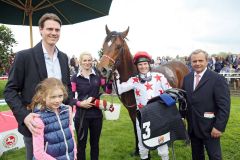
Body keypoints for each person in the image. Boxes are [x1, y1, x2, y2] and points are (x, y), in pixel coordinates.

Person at [4, 13, 72, 160]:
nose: (54, 33)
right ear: (40, 30)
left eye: (57, 30)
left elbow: (67, 89)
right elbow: (9, 91)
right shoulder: (24, 57)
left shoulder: (64, 57)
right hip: (35, 127)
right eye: (49, 29)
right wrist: (25, 116)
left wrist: (71, 106)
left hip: (61, 126)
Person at [114, 51, 171, 160]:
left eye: (145, 64)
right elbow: (119, 89)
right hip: (142, 117)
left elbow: (170, 92)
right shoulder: (134, 80)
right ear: (137, 66)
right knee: (143, 145)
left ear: (149, 64)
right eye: (140, 64)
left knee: (162, 144)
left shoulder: (159, 76)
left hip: (159, 116)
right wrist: (116, 77)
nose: (143, 66)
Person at [182, 49, 230, 160]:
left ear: (206, 61)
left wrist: (219, 127)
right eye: (194, 61)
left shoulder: (217, 79)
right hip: (193, 126)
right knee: (197, 156)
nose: (197, 63)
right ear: (191, 62)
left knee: (214, 156)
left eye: (200, 60)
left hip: (210, 128)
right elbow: (184, 100)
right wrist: (182, 116)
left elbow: (224, 106)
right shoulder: (187, 78)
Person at [70, 52, 112, 160]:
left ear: (92, 61)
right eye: (85, 60)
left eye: (89, 60)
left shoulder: (98, 76)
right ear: (80, 62)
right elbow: (70, 98)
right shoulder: (75, 78)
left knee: (95, 144)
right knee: (81, 145)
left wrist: (110, 80)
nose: (87, 62)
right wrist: (80, 103)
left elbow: (107, 90)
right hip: (81, 116)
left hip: (96, 115)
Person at [28, 78, 77, 160]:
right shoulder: (38, 118)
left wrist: (74, 152)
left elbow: (70, 134)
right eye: (53, 97)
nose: (57, 100)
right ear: (43, 97)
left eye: (60, 96)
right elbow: (38, 153)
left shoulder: (67, 110)